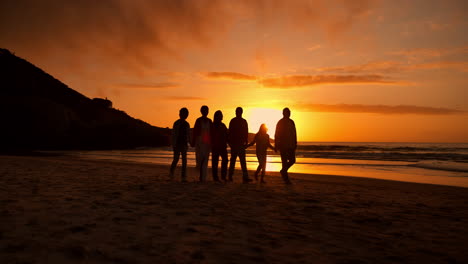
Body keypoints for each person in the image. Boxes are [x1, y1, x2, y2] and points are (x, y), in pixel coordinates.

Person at [228, 107, 251, 183]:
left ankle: (243, 177)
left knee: (241, 161)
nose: (237, 113)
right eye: (237, 111)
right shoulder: (234, 121)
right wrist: (230, 142)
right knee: (234, 161)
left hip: (240, 144)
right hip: (235, 143)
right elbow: (230, 132)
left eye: (238, 111)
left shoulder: (243, 121)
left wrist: (246, 141)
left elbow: (246, 132)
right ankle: (230, 176)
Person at [274, 107, 297, 184]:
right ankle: (286, 179)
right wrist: (276, 144)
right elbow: (277, 134)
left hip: (291, 145)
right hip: (283, 145)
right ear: (284, 113)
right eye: (288, 112)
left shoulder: (292, 122)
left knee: (292, 160)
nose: (289, 113)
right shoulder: (280, 122)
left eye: (290, 112)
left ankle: (283, 171)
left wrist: (295, 142)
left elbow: (294, 133)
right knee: (284, 162)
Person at [170, 107, 191, 182]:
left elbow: (188, 134)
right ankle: (171, 172)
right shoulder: (176, 123)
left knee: (184, 161)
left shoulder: (187, 124)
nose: (185, 115)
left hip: (184, 144)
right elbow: (174, 134)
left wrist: (190, 142)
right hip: (177, 144)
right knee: (176, 159)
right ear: (180, 114)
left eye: (186, 114)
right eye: (183, 114)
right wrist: (173, 144)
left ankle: (183, 176)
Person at [192, 105, 212, 182]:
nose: (205, 112)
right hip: (199, 141)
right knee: (199, 159)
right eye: (204, 110)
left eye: (206, 110)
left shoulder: (210, 121)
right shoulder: (198, 120)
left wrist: (211, 143)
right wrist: (193, 141)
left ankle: (202, 177)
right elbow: (195, 132)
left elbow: (211, 133)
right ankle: (201, 175)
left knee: (205, 159)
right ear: (201, 111)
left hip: (207, 141)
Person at [211, 110, 228, 182]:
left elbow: (227, 135)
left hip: (222, 146)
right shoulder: (212, 125)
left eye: (222, 115)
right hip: (215, 146)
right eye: (220, 115)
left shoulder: (223, 125)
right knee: (215, 162)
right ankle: (216, 177)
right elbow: (209, 135)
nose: (222, 116)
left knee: (225, 160)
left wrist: (228, 142)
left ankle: (223, 176)